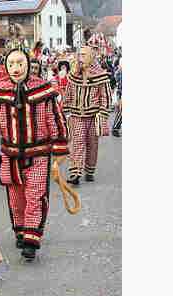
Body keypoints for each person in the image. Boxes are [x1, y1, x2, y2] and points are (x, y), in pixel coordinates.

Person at [0, 44, 70, 261]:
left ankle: (31, 239)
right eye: (11, 63)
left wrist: (59, 146)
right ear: (5, 66)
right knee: (16, 198)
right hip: (10, 155)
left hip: (38, 153)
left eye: (20, 63)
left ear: (29, 65)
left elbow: (54, 118)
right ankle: (20, 230)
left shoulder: (43, 89)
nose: (16, 68)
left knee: (35, 195)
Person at [63, 35, 112, 184]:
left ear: (91, 56)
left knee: (92, 144)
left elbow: (106, 96)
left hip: (93, 116)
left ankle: (90, 170)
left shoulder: (100, 75)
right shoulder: (74, 74)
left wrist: (103, 115)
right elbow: (68, 92)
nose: (80, 57)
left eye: (83, 55)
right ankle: (75, 173)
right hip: (77, 116)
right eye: (79, 54)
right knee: (77, 143)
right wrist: (66, 110)